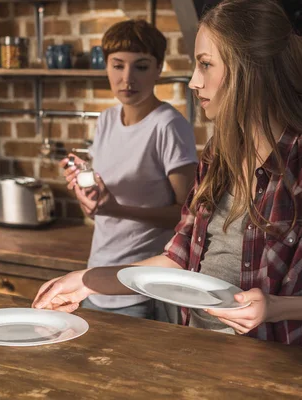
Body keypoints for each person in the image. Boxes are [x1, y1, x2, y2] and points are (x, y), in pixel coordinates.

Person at [33, 0, 302, 351]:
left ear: (250, 70)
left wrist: (275, 308)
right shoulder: (218, 156)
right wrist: (86, 281)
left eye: (205, 65)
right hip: (202, 355)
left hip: (278, 367)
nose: (193, 81)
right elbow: (178, 258)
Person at [55, 19, 198, 321]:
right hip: (97, 277)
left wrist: (117, 208)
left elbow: (190, 217)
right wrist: (89, 197)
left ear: (159, 68)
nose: (127, 78)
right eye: (117, 66)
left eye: (141, 67)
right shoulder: (106, 120)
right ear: (106, 67)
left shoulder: (168, 125)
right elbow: (98, 211)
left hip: (141, 286)